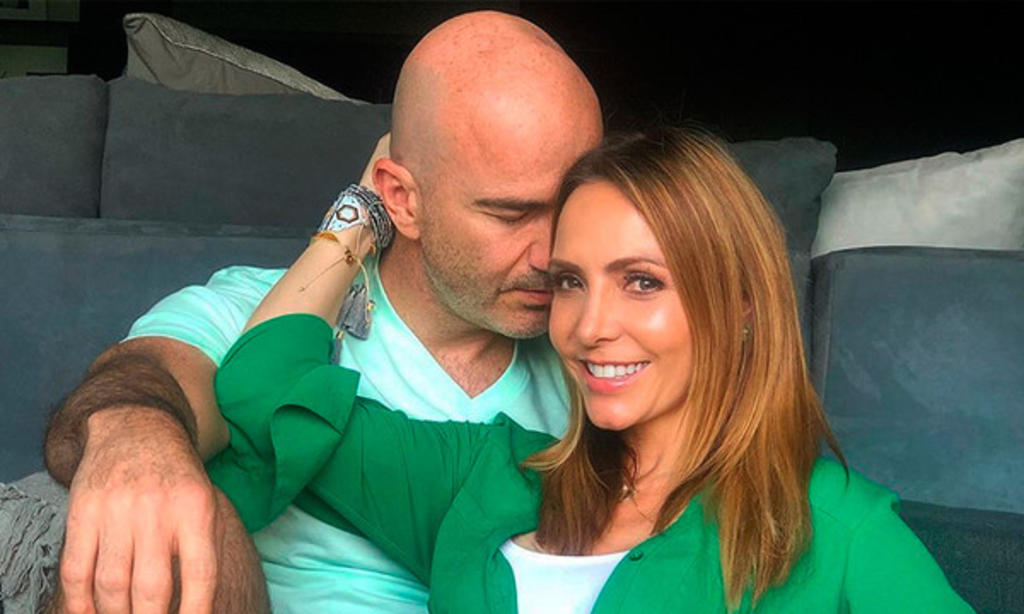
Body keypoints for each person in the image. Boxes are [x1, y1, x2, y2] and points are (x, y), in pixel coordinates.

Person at [206, 126, 973, 613]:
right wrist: (362, 214)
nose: (590, 326)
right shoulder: (488, 478)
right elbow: (263, 389)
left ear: (741, 303)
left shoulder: (835, 529)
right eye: (570, 281)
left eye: (641, 281)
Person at [42, 10, 602, 614]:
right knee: (160, 529)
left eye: (573, 205)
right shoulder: (256, 310)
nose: (553, 254)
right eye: (511, 215)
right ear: (401, 199)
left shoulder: (613, 363)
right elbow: (145, 377)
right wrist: (136, 431)